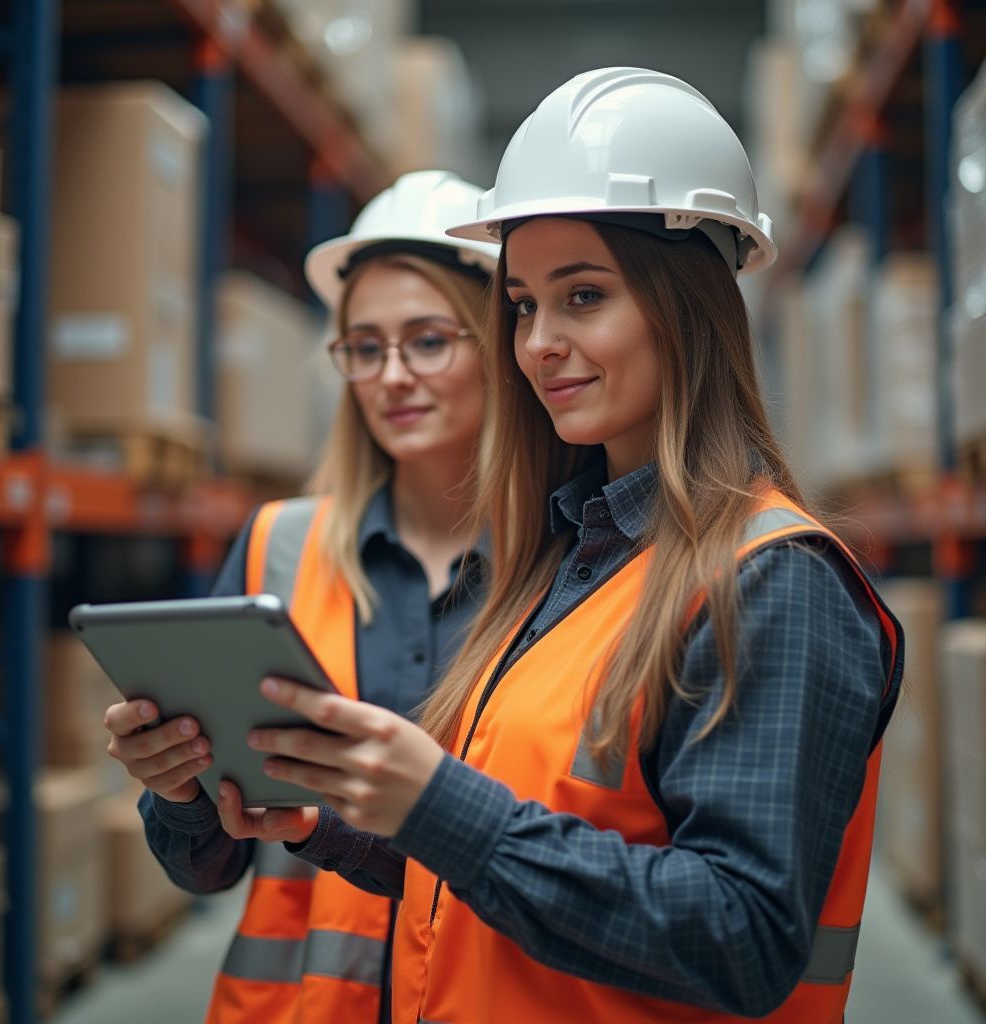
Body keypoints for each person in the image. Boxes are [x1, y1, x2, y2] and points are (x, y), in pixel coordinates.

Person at [246, 68, 904, 1023]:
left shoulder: (773, 583)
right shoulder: (571, 558)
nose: (538, 343)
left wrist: (438, 804)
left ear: (688, 306)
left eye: (583, 295)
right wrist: (329, 819)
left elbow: (743, 937)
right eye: (520, 305)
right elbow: (520, 851)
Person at [101, 169, 498, 1024]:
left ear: (499, 341)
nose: (391, 376)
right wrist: (176, 791)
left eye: (429, 340)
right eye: (364, 346)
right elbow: (207, 868)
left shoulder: (577, 562)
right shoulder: (280, 546)